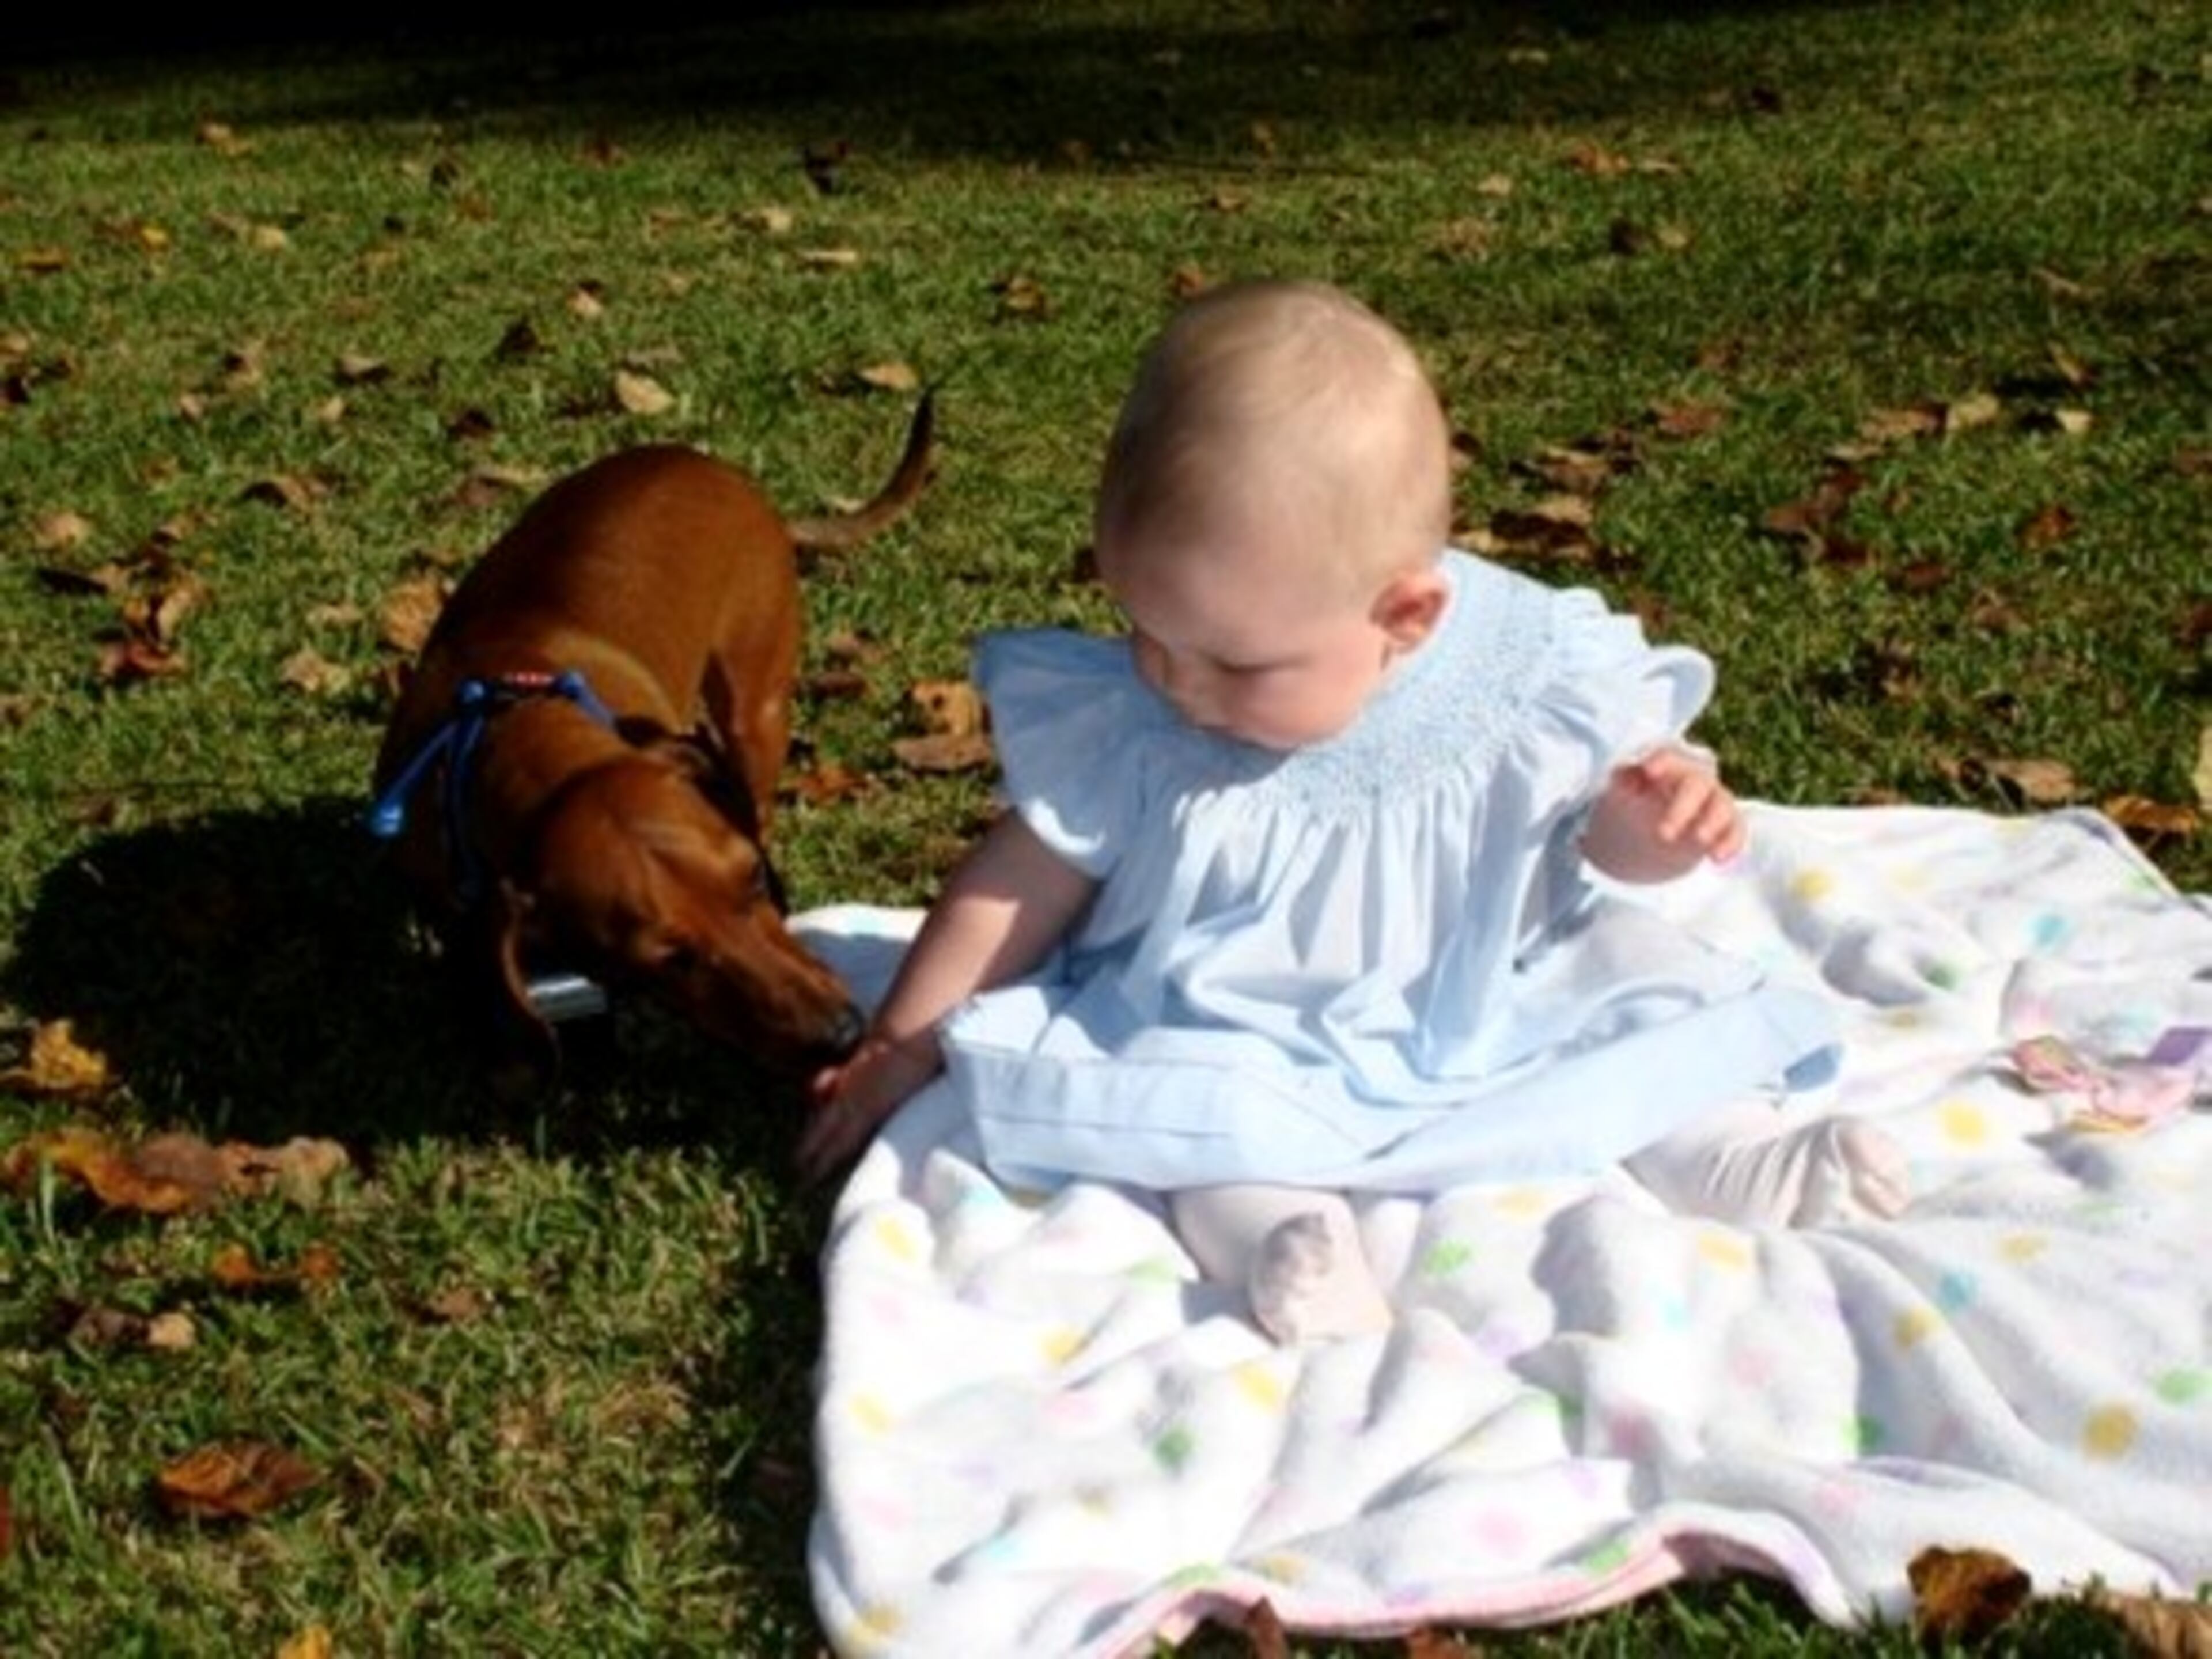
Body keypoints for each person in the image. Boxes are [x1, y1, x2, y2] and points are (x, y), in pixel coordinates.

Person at [801, 279, 1908, 1343]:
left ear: (1406, 618)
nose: (1176, 682)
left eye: (1234, 664)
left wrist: (1655, 828)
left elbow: (1600, 837)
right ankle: (1281, 1241)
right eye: (1145, 631)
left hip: (1493, 984)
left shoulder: (1522, 677)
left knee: (1629, 1002)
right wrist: (902, 1040)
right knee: (1192, 1119)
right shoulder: (1147, 715)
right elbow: (1020, 879)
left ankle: (1731, 1156)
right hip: (1236, 1021)